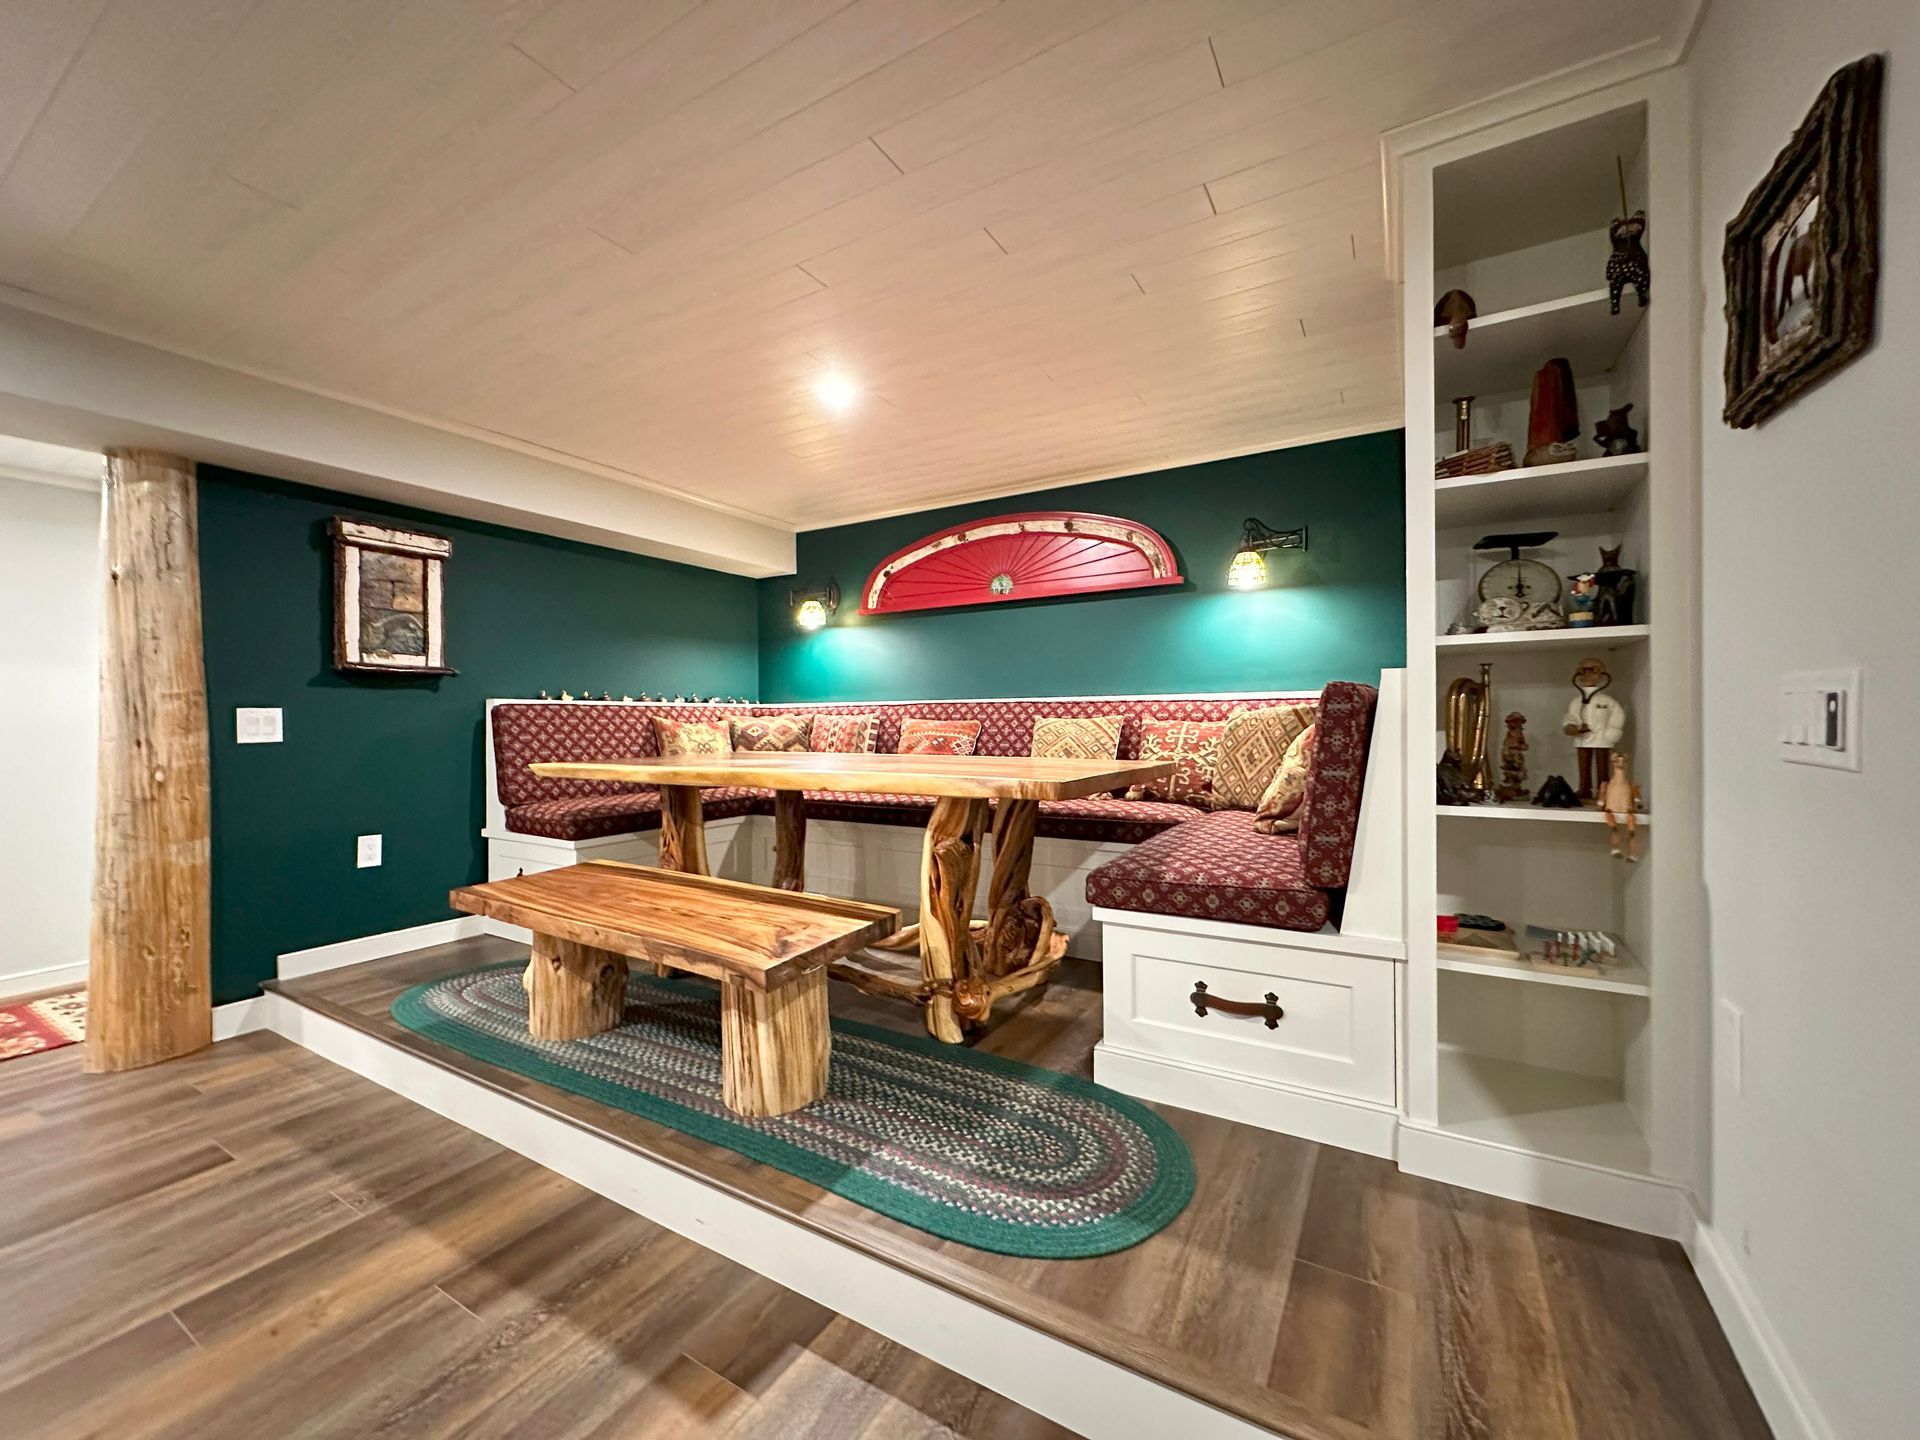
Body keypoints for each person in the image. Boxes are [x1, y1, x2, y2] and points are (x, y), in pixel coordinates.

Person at [1562, 657, 1626, 800]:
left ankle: (1603, 791)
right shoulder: (1576, 701)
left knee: (1602, 767)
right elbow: (1571, 716)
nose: (1588, 675)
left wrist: (1611, 734)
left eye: (1593, 671)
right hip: (1582, 738)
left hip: (1602, 738)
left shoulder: (1607, 701)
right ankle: (1585, 790)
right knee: (1583, 766)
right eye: (1584, 671)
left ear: (1602, 675)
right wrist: (1570, 726)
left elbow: (1617, 716)